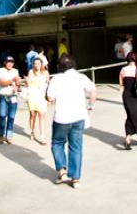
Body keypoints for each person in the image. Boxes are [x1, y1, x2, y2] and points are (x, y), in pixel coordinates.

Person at [46, 54, 97, 189]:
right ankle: (75, 179)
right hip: (79, 117)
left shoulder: (56, 79)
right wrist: (90, 106)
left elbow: (50, 98)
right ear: (74, 65)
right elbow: (93, 90)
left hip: (61, 118)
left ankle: (62, 172)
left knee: (57, 143)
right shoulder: (81, 77)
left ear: (60, 66)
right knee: (76, 147)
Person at [0, 56, 21, 144]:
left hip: (13, 96)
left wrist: (17, 86)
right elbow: (2, 83)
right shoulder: (0, 70)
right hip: (3, 96)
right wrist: (12, 80)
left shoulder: (15, 71)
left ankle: (9, 135)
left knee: (11, 117)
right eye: (8, 62)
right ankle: (1, 135)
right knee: (2, 115)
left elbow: (18, 83)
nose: (10, 63)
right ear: (5, 62)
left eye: (12, 62)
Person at [27, 56, 50, 144]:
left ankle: (42, 137)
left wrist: (48, 99)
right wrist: (27, 82)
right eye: (35, 63)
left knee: (41, 117)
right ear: (33, 64)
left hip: (42, 97)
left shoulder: (46, 73)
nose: (37, 65)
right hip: (32, 97)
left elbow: (48, 86)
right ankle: (32, 131)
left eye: (39, 63)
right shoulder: (30, 72)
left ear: (41, 64)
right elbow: (28, 85)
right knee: (32, 116)